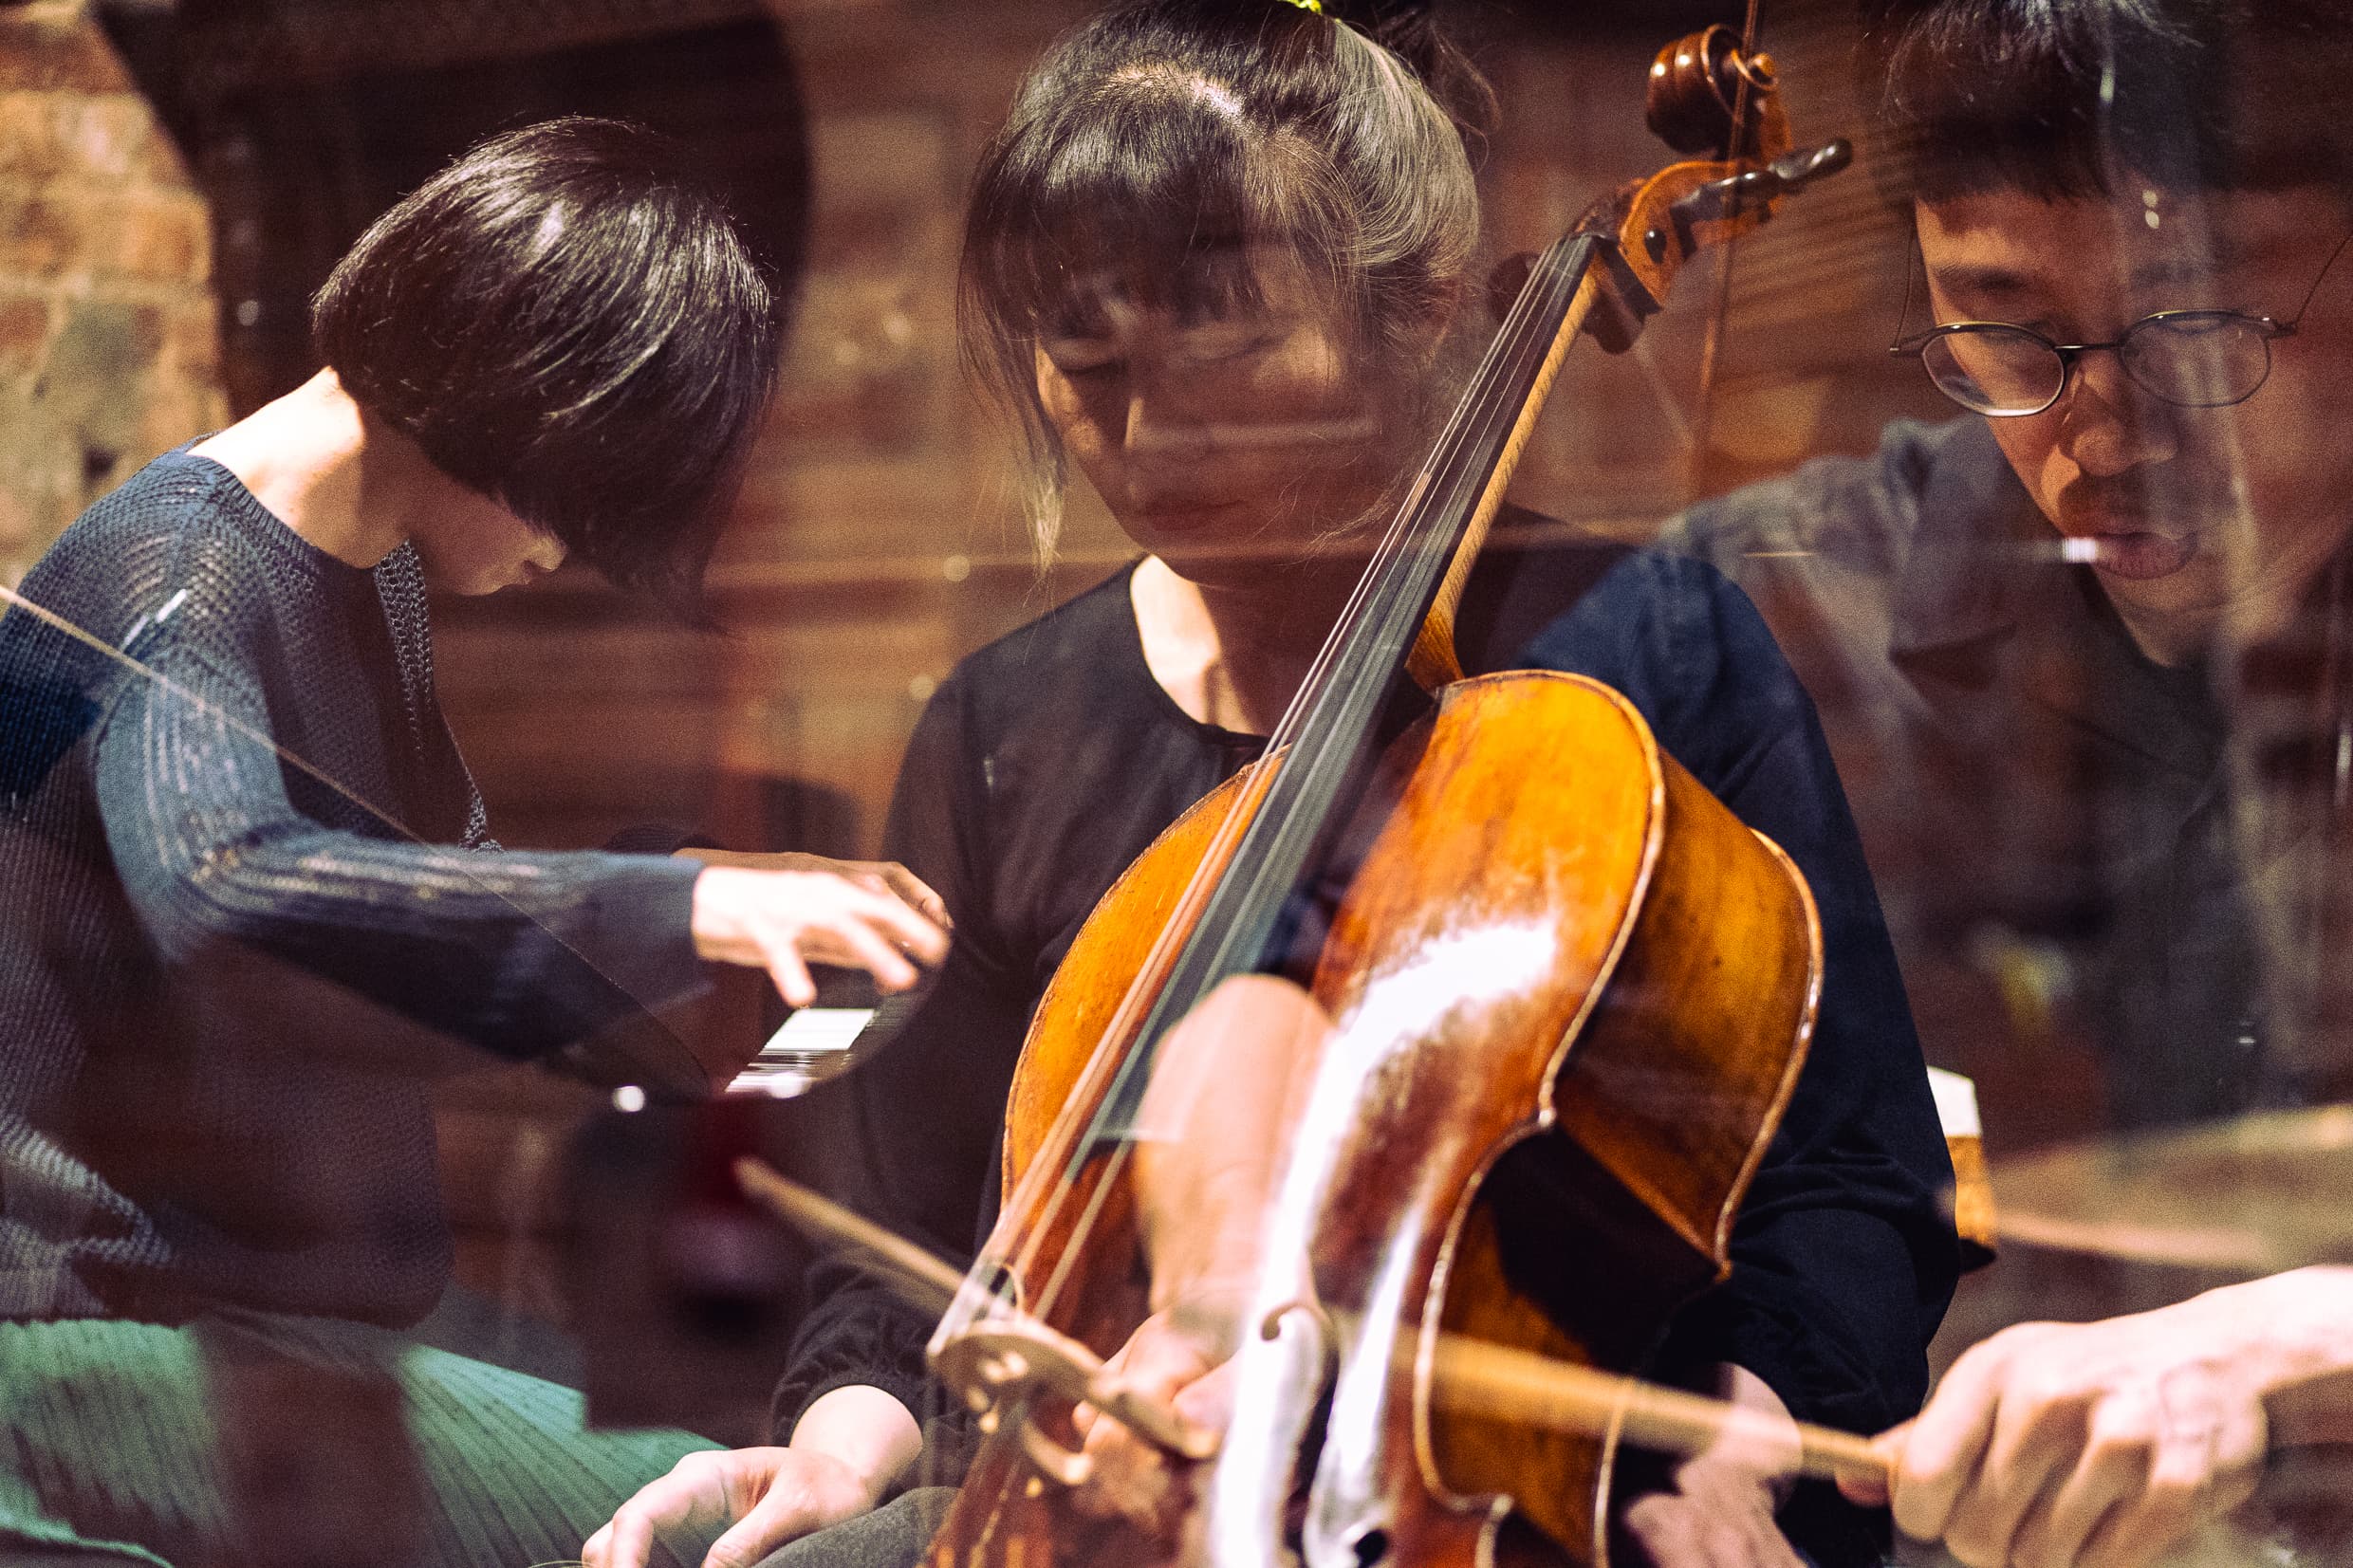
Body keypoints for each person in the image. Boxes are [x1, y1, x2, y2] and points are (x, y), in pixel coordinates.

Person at [587, 7, 1956, 1568]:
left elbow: (1855, 1180)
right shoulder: (1002, 722)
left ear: (1422, 305)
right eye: (1086, 362)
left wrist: (1735, 1443)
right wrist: (839, 1451)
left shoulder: (1645, 652)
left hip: (1523, 1493)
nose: (1149, 433)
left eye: (1222, 339)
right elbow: (910, 1256)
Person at [0, 117, 949, 1567]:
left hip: (266, 1320)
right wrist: (685, 905)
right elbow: (227, 890)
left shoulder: (368, 577)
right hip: (80, 1335)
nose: (569, 553)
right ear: (539, 406)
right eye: (595, 503)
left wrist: (770, 1018)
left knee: (737, 1459)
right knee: (759, 1535)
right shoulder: (181, 562)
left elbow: (442, 940)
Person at [1660, 3, 2353, 1564]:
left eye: (2201, 328)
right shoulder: (1777, 616)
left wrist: (2281, 1339)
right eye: (2009, 333)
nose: (2107, 432)